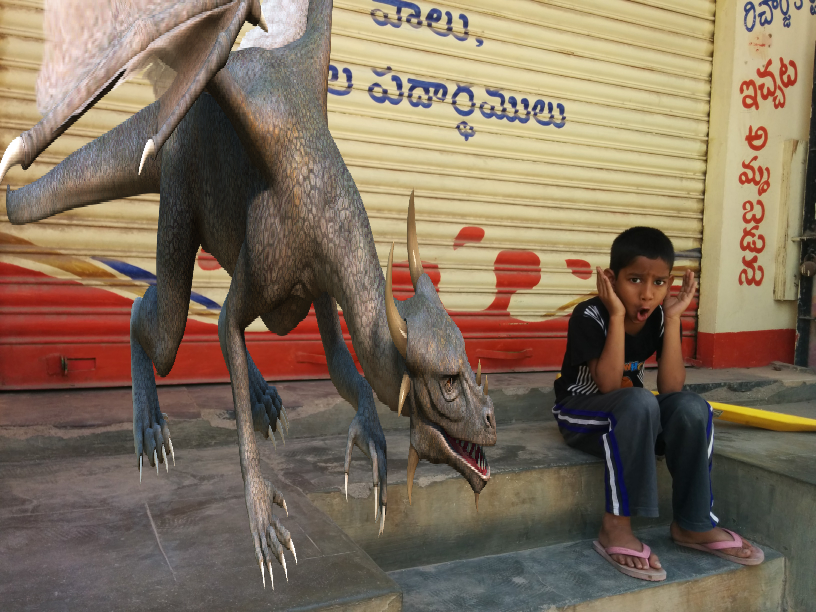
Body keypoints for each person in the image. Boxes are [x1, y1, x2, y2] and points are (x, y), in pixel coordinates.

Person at [552, 227, 764, 581]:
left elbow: (671, 388)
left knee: (692, 407)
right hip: (582, 413)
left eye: (659, 282)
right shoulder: (590, 315)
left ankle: (693, 524)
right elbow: (607, 385)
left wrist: (674, 318)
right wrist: (616, 315)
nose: (647, 294)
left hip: (634, 414)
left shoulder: (661, 316)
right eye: (634, 280)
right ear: (611, 279)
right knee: (638, 402)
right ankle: (615, 527)